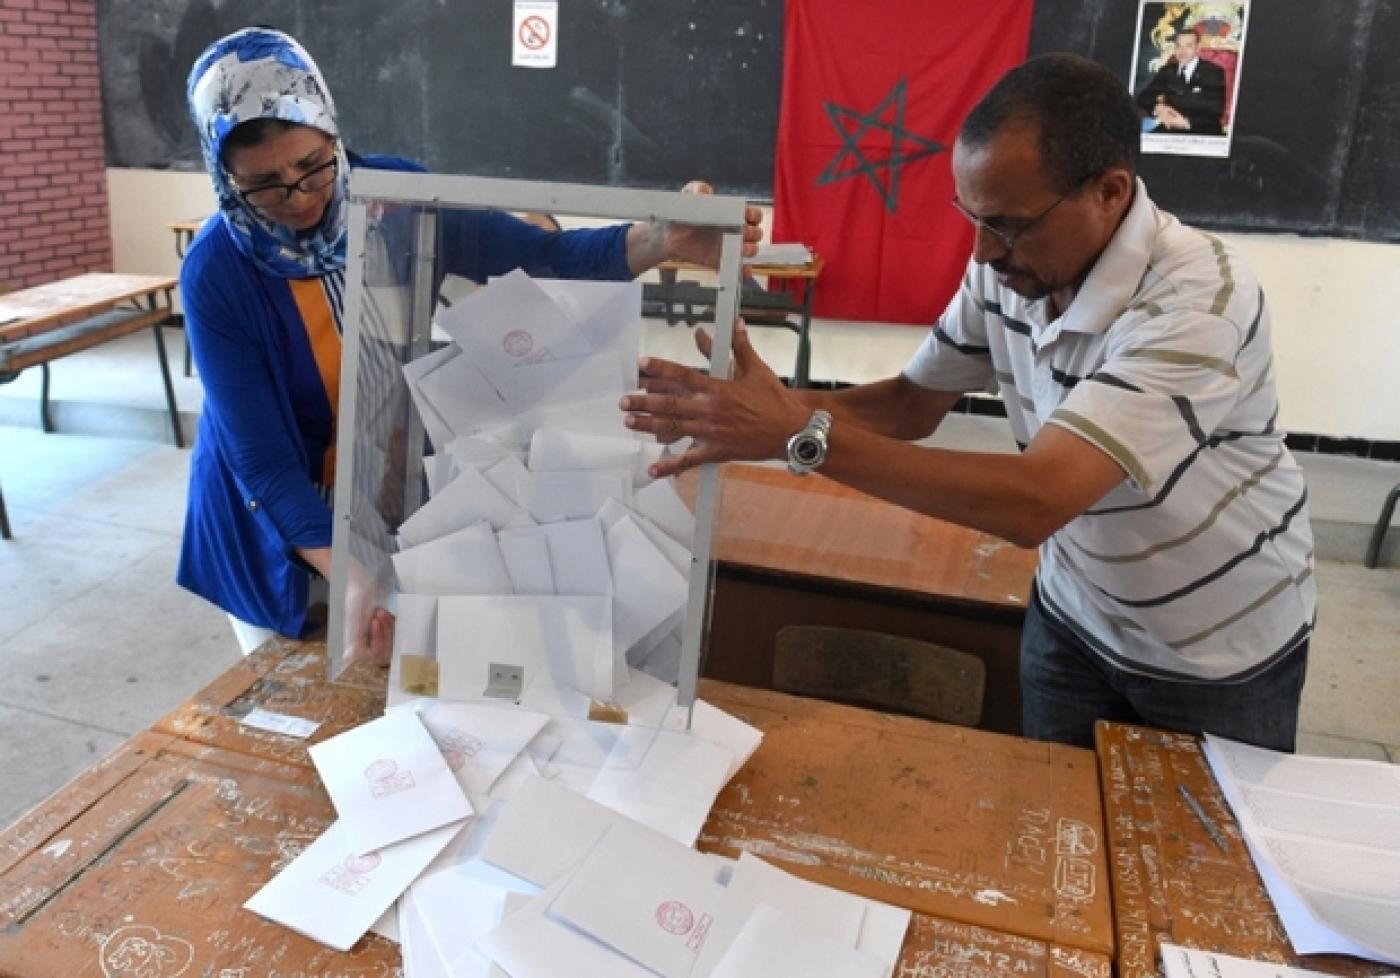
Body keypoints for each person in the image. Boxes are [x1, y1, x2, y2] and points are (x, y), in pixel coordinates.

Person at [621, 54, 1315, 751]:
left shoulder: (1198, 300)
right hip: (1074, 617)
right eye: (971, 217)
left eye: (1009, 225)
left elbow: (1035, 499)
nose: (983, 253)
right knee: (1056, 832)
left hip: (1213, 650)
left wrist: (796, 432)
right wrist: (753, 408)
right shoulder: (1009, 269)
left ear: (1109, 191)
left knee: (1196, 858)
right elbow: (909, 405)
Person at [177, 27, 759, 658]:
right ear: (223, 175)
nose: (300, 196)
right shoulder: (218, 273)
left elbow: (541, 256)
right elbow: (263, 464)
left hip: (380, 489)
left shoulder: (397, 200)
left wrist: (659, 240)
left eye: (313, 163)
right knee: (293, 692)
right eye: (265, 183)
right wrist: (349, 573)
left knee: (397, 674)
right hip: (276, 523)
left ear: (333, 133)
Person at [1135, 28, 1227, 135]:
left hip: (1202, 131)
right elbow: (1143, 98)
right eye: (1179, 46)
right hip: (1170, 130)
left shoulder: (1213, 71)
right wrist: (1158, 108)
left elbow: (1216, 110)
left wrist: (1186, 123)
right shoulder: (1167, 71)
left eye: (1188, 46)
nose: (1182, 51)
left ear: (1198, 48)